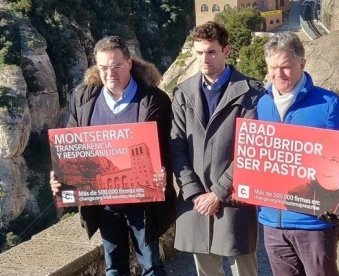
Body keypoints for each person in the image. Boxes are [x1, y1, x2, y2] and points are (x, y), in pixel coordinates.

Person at [50, 35, 176, 276]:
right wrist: (59, 176)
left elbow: (170, 148)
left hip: (144, 201)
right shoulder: (84, 99)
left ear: (129, 62)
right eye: (104, 67)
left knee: (151, 265)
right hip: (106, 203)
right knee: (114, 267)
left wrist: (164, 173)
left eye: (116, 66)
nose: (110, 73)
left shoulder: (154, 100)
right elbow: (70, 146)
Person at [257, 31, 339, 276]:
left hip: (314, 223)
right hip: (273, 223)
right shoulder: (261, 104)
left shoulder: (328, 104)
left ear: (302, 64)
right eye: (273, 67)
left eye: (285, 67)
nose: (278, 74)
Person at [169, 21, 263, 276]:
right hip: (196, 201)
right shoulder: (183, 93)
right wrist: (194, 192)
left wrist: (218, 193)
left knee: (244, 269)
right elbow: (176, 146)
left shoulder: (251, 93)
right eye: (199, 52)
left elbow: (251, 150)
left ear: (226, 51)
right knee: (207, 272)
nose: (204, 59)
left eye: (211, 51)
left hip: (234, 200)